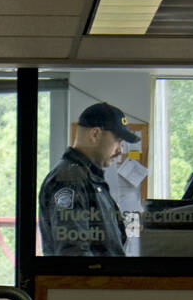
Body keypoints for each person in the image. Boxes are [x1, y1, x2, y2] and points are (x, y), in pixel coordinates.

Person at [39, 102, 141, 257]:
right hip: (90, 282)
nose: (120, 150)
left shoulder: (88, 178)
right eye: (117, 141)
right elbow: (74, 255)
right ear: (95, 134)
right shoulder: (69, 179)